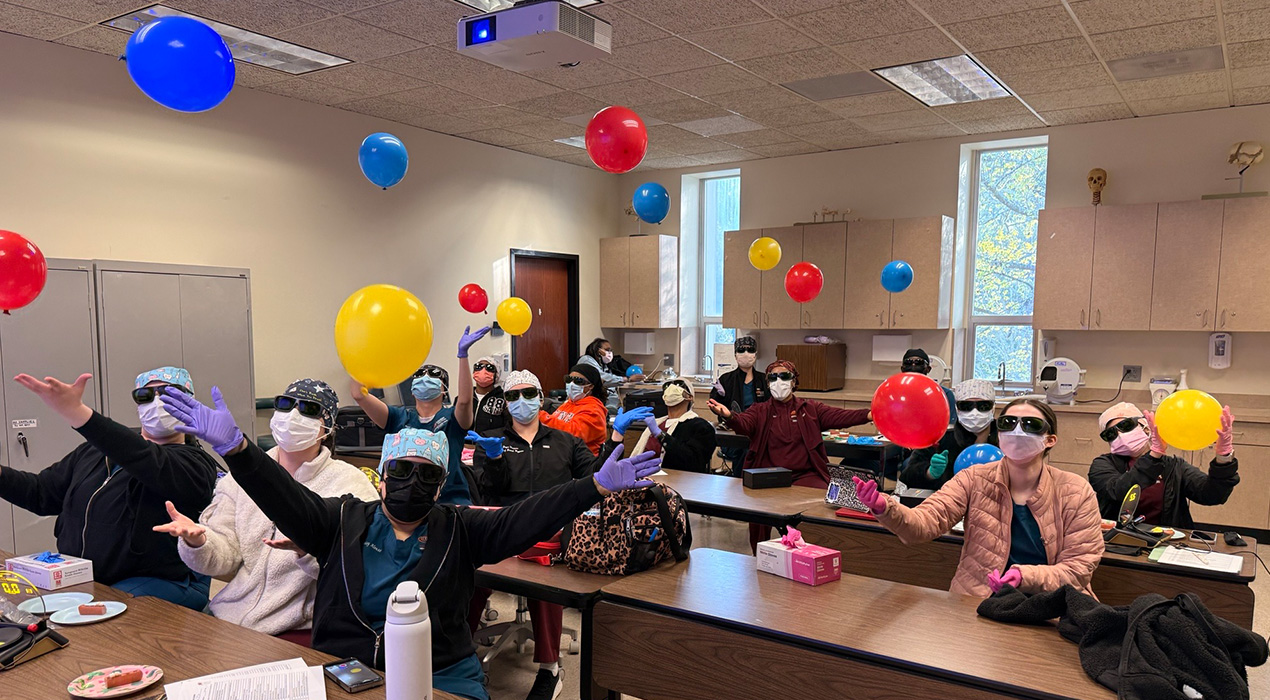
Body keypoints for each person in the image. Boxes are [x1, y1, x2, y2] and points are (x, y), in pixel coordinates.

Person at [159, 385, 659, 700]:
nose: (411, 483)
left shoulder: (461, 529)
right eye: (400, 471)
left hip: (442, 675)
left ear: (442, 485)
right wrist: (237, 449)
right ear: (380, 477)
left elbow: (525, 518)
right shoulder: (340, 521)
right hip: (346, 672)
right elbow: (282, 495)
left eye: (426, 476)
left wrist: (594, 485)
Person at [154, 379, 379, 642]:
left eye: (308, 409)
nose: (293, 415)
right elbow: (223, 560)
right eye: (285, 404)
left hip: (299, 626)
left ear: (327, 427)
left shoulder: (350, 484)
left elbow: (355, 570)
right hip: (230, 615)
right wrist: (199, 541)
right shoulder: (239, 478)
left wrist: (307, 550)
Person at [0, 368, 218, 610]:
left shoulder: (195, 466)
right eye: (146, 395)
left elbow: (146, 460)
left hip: (158, 582)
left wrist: (78, 414)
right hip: (83, 575)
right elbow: (41, 494)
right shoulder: (93, 452)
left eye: (170, 394)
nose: (157, 402)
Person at [851, 399, 1105, 599]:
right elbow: (926, 521)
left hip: (1053, 606)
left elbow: (1079, 568)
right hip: (978, 600)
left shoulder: (1075, 491)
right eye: (1008, 423)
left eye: (1031, 425)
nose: (1017, 431)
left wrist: (1024, 576)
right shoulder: (974, 478)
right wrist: (886, 508)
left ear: (1050, 440)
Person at [468, 369, 606, 699]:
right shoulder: (491, 440)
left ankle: (549, 669)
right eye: (513, 396)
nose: (521, 401)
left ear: (540, 398)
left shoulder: (566, 442)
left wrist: (615, 440)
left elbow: (596, 483)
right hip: (502, 530)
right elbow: (486, 492)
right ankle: (459, 653)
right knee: (468, 576)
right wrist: (496, 459)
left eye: (529, 394)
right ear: (505, 402)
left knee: (543, 581)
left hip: (551, 534)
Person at [707, 360, 872, 549]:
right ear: (768, 384)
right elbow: (744, 423)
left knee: (822, 504)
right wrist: (730, 416)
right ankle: (761, 555)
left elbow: (840, 416)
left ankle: (813, 551)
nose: (779, 381)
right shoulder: (760, 410)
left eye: (784, 376)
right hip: (768, 477)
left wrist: (868, 415)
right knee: (759, 512)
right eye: (773, 377)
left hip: (806, 475)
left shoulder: (810, 409)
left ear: (794, 382)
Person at [350, 326, 491, 505]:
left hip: (450, 499)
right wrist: (365, 352)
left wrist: (462, 355)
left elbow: (463, 401)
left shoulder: (452, 420)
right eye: (419, 374)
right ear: (412, 387)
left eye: (434, 375)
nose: (425, 377)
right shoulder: (398, 417)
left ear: (444, 390)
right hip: (405, 498)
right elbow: (358, 394)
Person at [1087, 402, 1238, 528]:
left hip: (1166, 544)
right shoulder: (1102, 465)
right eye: (1110, 434)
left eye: (1126, 425)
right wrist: (1154, 455)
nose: (1120, 435)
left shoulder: (1174, 467)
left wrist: (1223, 458)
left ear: (1145, 426)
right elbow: (1117, 492)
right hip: (1119, 543)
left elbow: (1212, 495)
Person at [900, 379, 999, 490]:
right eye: (966, 406)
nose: (974, 412)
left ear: (993, 408)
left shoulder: (1008, 439)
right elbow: (907, 477)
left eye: (983, 406)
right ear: (957, 409)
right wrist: (929, 473)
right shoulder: (940, 439)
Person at [617, 380, 716, 473]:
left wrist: (661, 436)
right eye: (668, 386)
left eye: (679, 385)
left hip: (673, 480)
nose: (672, 387)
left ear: (689, 397)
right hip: (641, 475)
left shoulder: (701, 427)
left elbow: (693, 462)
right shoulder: (657, 423)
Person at [709, 336, 768, 476]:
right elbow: (714, 404)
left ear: (755, 354)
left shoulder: (764, 379)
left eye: (750, 350)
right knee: (744, 450)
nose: (746, 354)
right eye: (741, 350)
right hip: (734, 429)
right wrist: (719, 396)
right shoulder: (726, 379)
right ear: (735, 355)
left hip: (759, 429)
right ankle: (740, 484)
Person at [539, 364, 609, 455]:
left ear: (590, 386)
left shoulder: (594, 410)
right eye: (569, 379)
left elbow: (572, 434)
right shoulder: (568, 403)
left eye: (578, 381)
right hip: (560, 455)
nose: (571, 384)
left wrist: (538, 415)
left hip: (581, 463)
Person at [578, 337, 641, 410]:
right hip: (588, 399)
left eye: (611, 350)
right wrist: (626, 379)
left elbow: (610, 386)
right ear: (598, 351)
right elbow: (601, 378)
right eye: (607, 350)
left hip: (605, 401)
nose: (610, 353)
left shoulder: (604, 365)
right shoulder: (586, 360)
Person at [902, 348, 956, 426]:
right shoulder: (893, 394)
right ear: (902, 368)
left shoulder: (944, 394)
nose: (913, 365)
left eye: (919, 362)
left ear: (928, 369)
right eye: (908, 362)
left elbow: (950, 425)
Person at [471, 356, 506, 436]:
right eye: (478, 367)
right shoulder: (464, 398)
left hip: (490, 446)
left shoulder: (503, 399)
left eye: (489, 368)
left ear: (496, 374)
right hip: (464, 446)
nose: (483, 371)